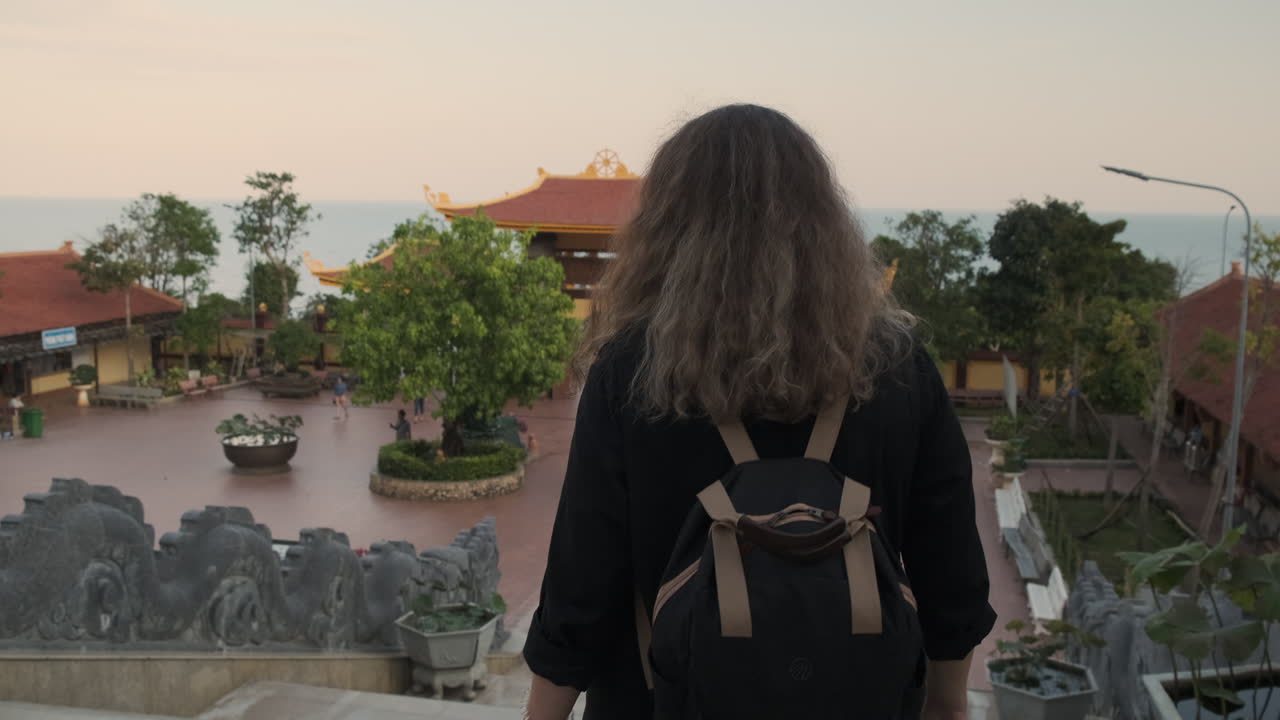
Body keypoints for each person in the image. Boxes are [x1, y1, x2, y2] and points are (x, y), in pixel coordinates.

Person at [522, 105, 995, 720]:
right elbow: (951, 569)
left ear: (667, 223)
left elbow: (580, 582)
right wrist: (948, 704)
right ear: (824, 219)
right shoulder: (899, 369)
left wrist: (541, 713)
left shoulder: (632, 370)